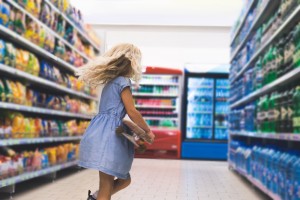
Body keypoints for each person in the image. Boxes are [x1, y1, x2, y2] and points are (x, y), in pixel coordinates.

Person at [76, 43, 155, 200]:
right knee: (107, 186)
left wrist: (135, 135)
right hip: (108, 138)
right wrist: (147, 130)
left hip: (101, 132)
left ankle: (96, 198)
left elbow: (118, 117)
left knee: (124, 180)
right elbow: (132, 112)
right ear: (131, 62)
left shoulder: (111, 82)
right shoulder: (123, 81)